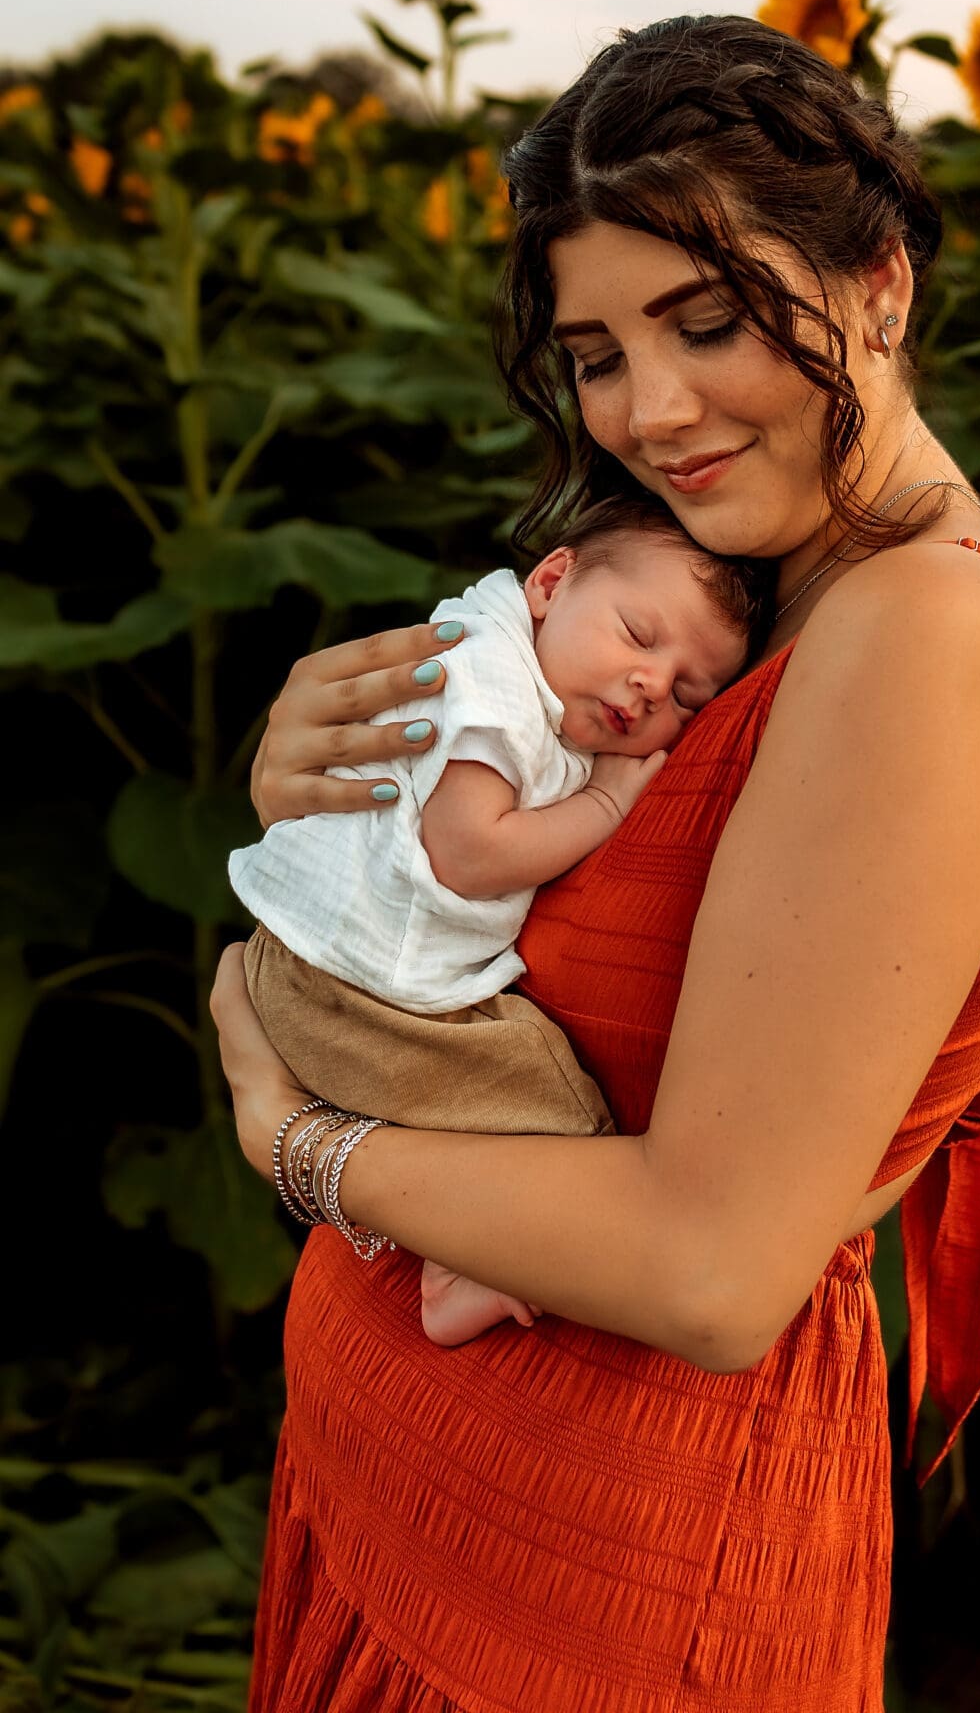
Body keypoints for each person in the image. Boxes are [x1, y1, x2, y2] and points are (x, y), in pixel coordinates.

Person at [212, 12, 980, 1711]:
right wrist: (330, 800)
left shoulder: (917, 638)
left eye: (707, 320)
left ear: (883, 280)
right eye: (597, 351)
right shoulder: (750, 583)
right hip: (441, 1509)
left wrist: (301, 1139)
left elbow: (712, 1265)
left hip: (597, 1589)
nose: (651, 409)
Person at [226, 497, 765, 1346]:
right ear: (551, 581)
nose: (651, 685)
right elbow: (470, 852)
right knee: (554, 1111)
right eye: (636, 635)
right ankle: (462, 1269)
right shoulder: (494, 682)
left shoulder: (537, 678)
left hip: (329, 975)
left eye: (687, 696)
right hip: (355, 991)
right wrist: (601, 802)